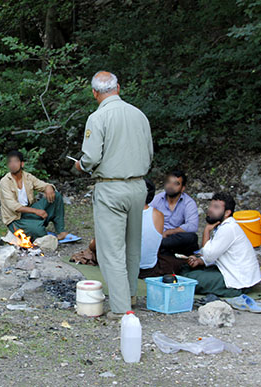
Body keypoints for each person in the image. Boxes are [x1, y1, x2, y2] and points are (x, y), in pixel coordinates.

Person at [75, 71, 153, 319]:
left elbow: (91, 158)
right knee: (132, 246)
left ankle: (121, 309)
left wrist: (81, 165)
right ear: (118, 88)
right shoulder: (139, 115)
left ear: (94, 93)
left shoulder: (97, 117)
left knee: (111, 249)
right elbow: (150, 153)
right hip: (139, 186)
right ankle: (130, 294)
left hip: (111, 187)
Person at [181, 193, 261, 297]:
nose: (210, 209)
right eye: (211, 206)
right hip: (229, 271)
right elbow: (214, 253)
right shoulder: (223, 226)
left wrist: (206, 231)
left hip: (238, 280)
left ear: (227, 213)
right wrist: (200, 261)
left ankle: (232, 291)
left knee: (187, 279)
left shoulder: (228, 228)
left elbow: (209, 255)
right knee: (187, 269)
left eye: (216, 207)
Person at [0, 150, 67, 240]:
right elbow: (13, 206)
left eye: (16, 161)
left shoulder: (27, 177)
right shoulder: (5, 182)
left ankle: (61, 231)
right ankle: (38, 227)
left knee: (56, 196)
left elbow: (42, 185)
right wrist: (36, 211)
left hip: (29, 211)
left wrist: (49, 187)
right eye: (10, 162)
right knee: (39, 231)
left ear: (22, 164)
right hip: (16, 219)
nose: (13, 164)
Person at [150, 170, 199, 256]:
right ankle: (162, 248)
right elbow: (146, 214)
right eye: (168, 182)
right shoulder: (157, 199)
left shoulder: (188, 203)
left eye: (176, 184)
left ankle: (160, 247)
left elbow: (192, 226)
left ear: (183, 188)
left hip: (174, 238)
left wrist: (169, 232)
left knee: (192, 238)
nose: (170, 186)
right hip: (158, 235)